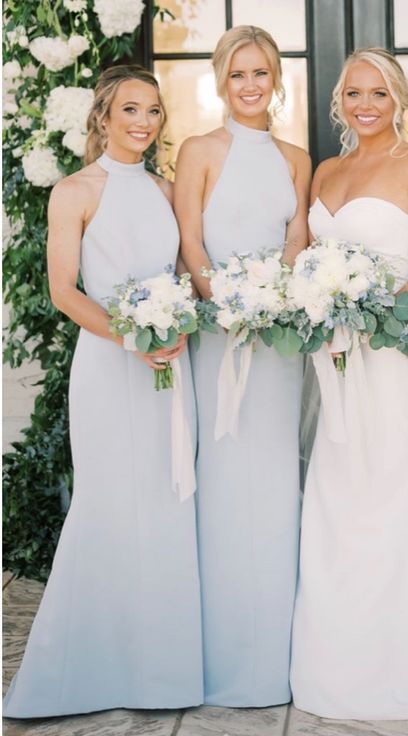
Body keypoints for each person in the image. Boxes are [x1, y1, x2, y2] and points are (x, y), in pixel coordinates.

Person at [3, 65, 202, 718]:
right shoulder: (75, 190)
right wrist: (132, 337)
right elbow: (65, 290)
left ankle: (160, 676)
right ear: (102, 118)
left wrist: (174, 325)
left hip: (168, 367)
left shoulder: (168, 189)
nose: (143, 123)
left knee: (164, 500)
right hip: (110, 365)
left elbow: (180, 274)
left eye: (153, 113)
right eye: (131, 111)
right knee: (109, 501)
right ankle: (83, 671)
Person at [289, 47, 408, 720]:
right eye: (354, 94)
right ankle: (332, 665)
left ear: (396, 100)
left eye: (379, 95)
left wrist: (381, 320)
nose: (365, 105)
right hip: (330, 352)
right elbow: (307, 257)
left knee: (387, 484)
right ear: (340, 100)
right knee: (334, 487)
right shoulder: (327, 170)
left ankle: (403, 665)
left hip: (388, 352)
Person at [174, 25, 310, 707]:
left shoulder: (295, 157)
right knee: (224, 477)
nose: (250, 86)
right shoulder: (200, 151)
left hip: (279, 349)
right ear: (221, 82)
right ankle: (224, 651)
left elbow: (296, 243)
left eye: (260, 74)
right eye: (237, 75)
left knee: (276, 478)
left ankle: (279, 653)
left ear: (276, 78)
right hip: (219, 337)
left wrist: (275, 303)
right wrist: (224, 304)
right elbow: (190, 237)